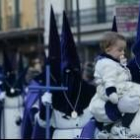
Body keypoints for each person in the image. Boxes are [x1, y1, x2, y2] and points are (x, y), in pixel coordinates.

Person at [89, 32, 140, 138]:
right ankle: (118, 128)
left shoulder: (117, 65)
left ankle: (108, 130)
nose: (122, 52)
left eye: (123, 50)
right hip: (114, 93)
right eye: (120, 50)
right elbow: (109, 81)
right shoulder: (110, 65)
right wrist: (115, 100)